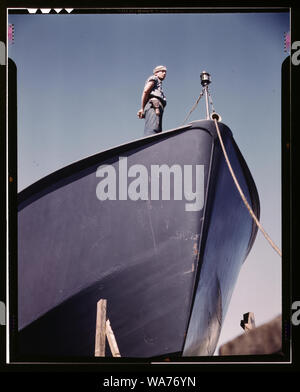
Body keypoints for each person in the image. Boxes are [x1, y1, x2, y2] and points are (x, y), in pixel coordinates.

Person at [137, 65, 167, 136]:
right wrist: (142, 108)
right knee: (153, 130)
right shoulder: (154, 78)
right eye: (162, 71)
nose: (164, 73)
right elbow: (146, 91)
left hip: (158, 107)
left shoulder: (159, 83)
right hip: (154, 106)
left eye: (165, 72)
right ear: (156, 73)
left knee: (158, 132)